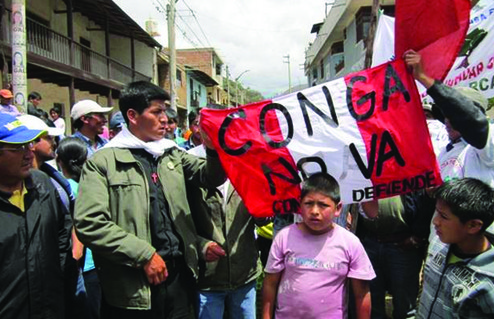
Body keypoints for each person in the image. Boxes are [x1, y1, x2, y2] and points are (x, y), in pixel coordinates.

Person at [73, 81, 226, 319]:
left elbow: (210, 176)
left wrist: (213, 147)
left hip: (180, 279)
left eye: (164, 111)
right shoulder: (103, 162)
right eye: (156, 112)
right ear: (132, 116)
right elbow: (89, 223)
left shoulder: (171, 153)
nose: (164, 119)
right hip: (133, 288)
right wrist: (143, 255)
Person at [404, 50, 494, 237]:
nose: (448, 121)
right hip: (442, 247)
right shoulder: (444, 153)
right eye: (445, 115)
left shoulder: (492, 145)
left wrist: (425, 79)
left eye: (454, 115)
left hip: (479, 248)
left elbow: (473, 124)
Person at [262, 173, 375, 319]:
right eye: (308, 203)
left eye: (323, 205)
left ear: (338, 208)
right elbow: (270, 283)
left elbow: (361, 293)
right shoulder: (284, 237)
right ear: (300, 204)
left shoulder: (350, 243)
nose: (315, 211)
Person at [0, 113, 72, 319]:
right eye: (17, 148)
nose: (28, 154)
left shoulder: (42, 184)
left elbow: (62, 232)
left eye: (29, 144)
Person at [187, 144, 260, 319]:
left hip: (245, 276)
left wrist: (265, 209)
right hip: (207, 280)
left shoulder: (249, 165)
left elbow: (262, 218)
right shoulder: (188, 165)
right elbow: (179, 222)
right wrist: (201, 246)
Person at [417, 178, 494, 318]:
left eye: (444, 216)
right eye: (437, 212)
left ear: (473, 225)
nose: (435, 221)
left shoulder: (492, 284)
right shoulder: (437, 245)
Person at [357, 194, 433, 319]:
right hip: (369, 242)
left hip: (403, 245)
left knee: (404, 304)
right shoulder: (363, 175)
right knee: (372, 301)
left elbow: (425, 198)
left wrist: (418, 236)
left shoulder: (410, 175)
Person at [57, 137, 102, 319]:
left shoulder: (66, 189)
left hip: (82, 265)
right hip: (95, 262)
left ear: (60, 160)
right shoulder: (88, 185)